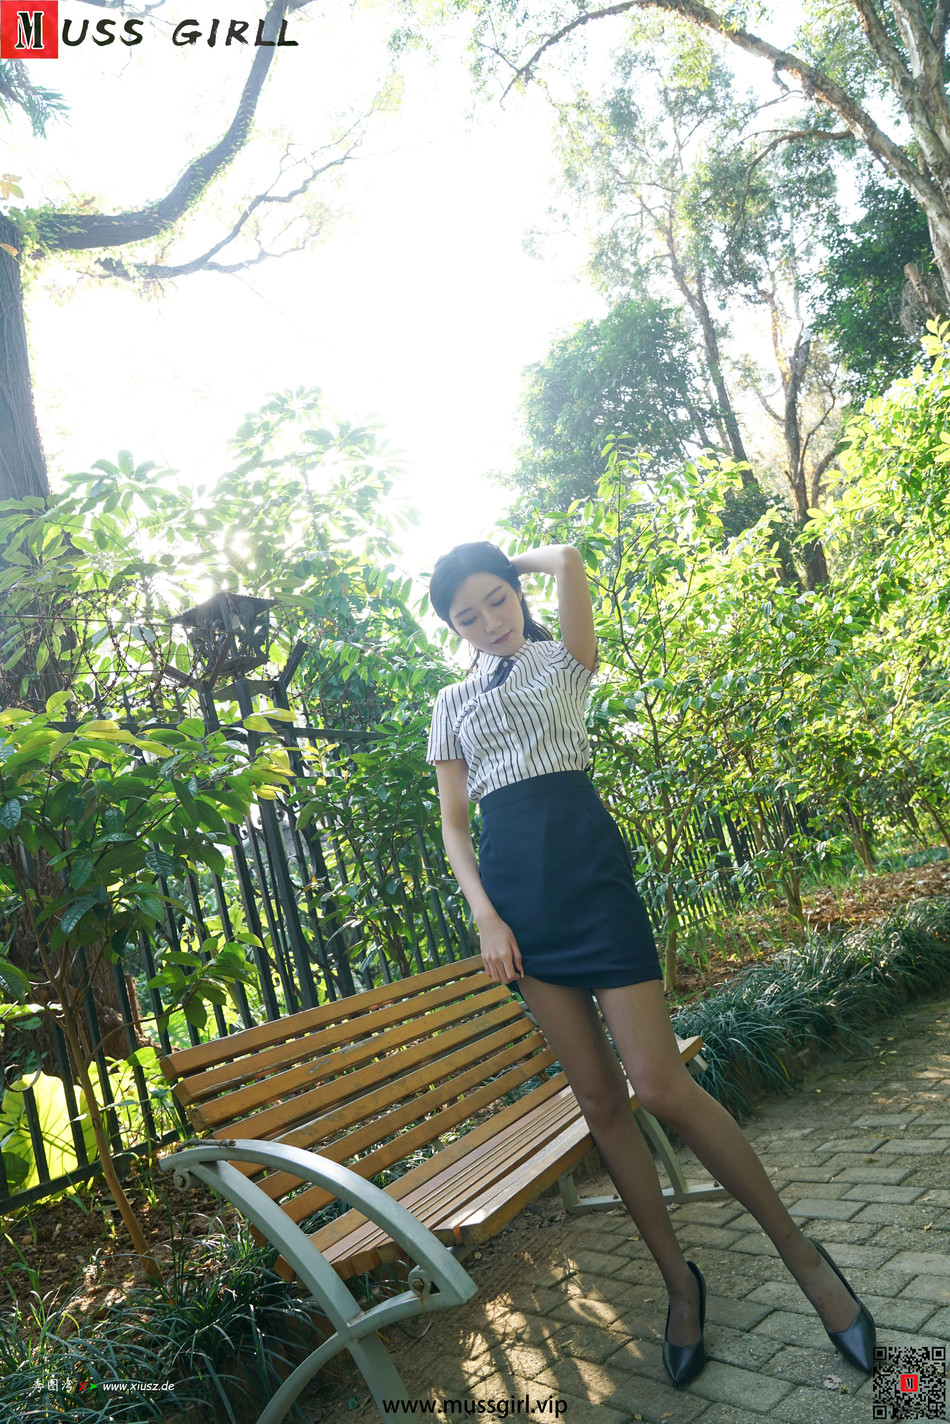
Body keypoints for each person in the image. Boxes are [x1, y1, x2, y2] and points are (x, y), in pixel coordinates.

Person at [425, 538, 876, 1389]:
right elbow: (455, 825)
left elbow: (569, 560)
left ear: (516, 592)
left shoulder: (563, 660)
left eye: (497, 599)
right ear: (451, 627)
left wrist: (515, 560)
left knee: (662, 1088)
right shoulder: (450, 703)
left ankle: (805, 1259)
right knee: (601, 1103)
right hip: (522, 913)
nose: (488, 621)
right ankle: (678, 1285)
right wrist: (486, 915)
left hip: (595, 887)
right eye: (467, 615)